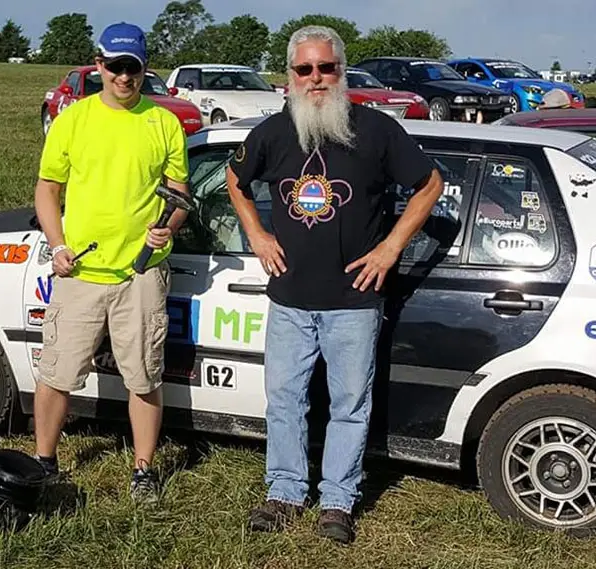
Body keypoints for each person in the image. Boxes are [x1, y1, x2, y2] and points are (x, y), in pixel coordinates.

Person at [225, 25, 443, 544]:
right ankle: (283, 492)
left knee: (349, 404)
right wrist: (256, 232)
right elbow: (235, 181)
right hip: (290, 298)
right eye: (305, 69)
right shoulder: (273, 133)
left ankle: (338, 501)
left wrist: (391, 249)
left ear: (342, 72)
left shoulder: (376, 130)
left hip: (354, 301)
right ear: (289, 76)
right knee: (284, 400)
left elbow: (429, 184)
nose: (316, 78)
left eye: (327, 68)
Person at [31, 21, 190, 502]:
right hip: (79, 272)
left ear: (144, 70)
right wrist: (58, 246)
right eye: (115, 67)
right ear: (98, 66)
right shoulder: (73, 120)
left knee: (143, 376)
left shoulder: (162, 123)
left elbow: (179, 194)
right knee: (57, 374)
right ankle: (44, 462)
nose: (124, 78)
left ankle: (143, 471)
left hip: (140, 273)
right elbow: (47, 190)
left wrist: (171, 224)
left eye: (133, 69)